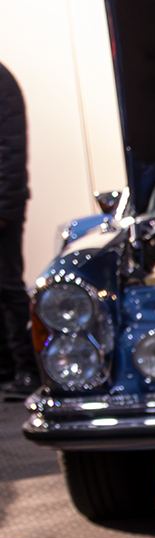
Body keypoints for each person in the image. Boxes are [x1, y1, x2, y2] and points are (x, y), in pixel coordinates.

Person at [0, 58, 30, 401]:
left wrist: (5, 206)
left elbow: (11, 148)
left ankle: (26, 368)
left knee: (8, 287)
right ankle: (8, 367)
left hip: (4, 205)